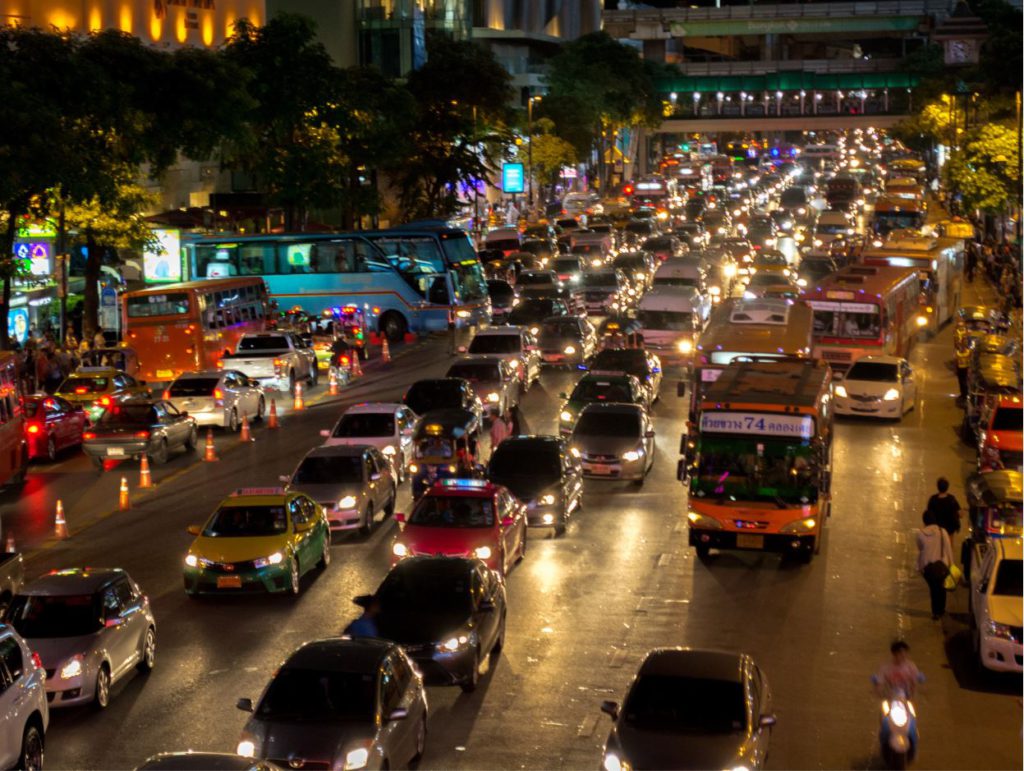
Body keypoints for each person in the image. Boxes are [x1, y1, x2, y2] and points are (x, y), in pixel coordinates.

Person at [916, 510, 953, 619]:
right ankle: (940, 610)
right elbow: (948, 548)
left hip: (928, 567)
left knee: (933, 589)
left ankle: (935, 611)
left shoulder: (920, 534)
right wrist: (951, 564)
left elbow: (920, 548)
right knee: (941, 588)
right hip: (942, 565)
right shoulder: (943, 532)